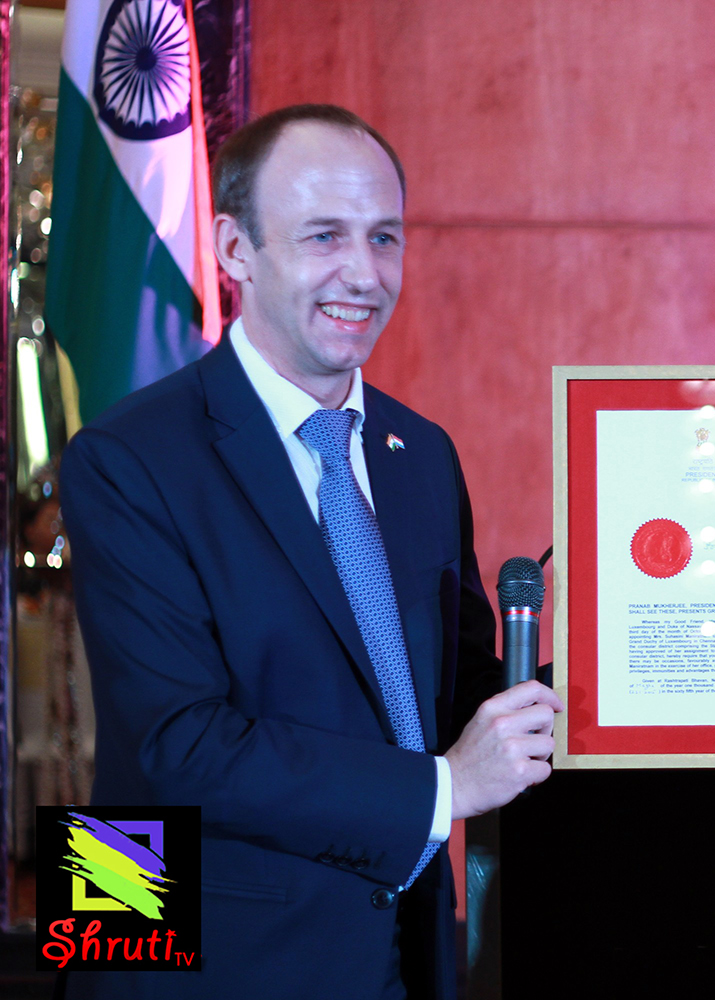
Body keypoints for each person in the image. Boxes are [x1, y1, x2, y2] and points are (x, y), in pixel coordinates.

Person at [58, 104, 561, 1000]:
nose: (363, 274)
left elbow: (465, 693)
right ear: (233, 248)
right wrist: (443, 790)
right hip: (185, 953)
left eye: (384, 238)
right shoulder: (125, 456)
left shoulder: (422, 453)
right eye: (324, 235)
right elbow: (176, 744)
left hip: (398, 950)